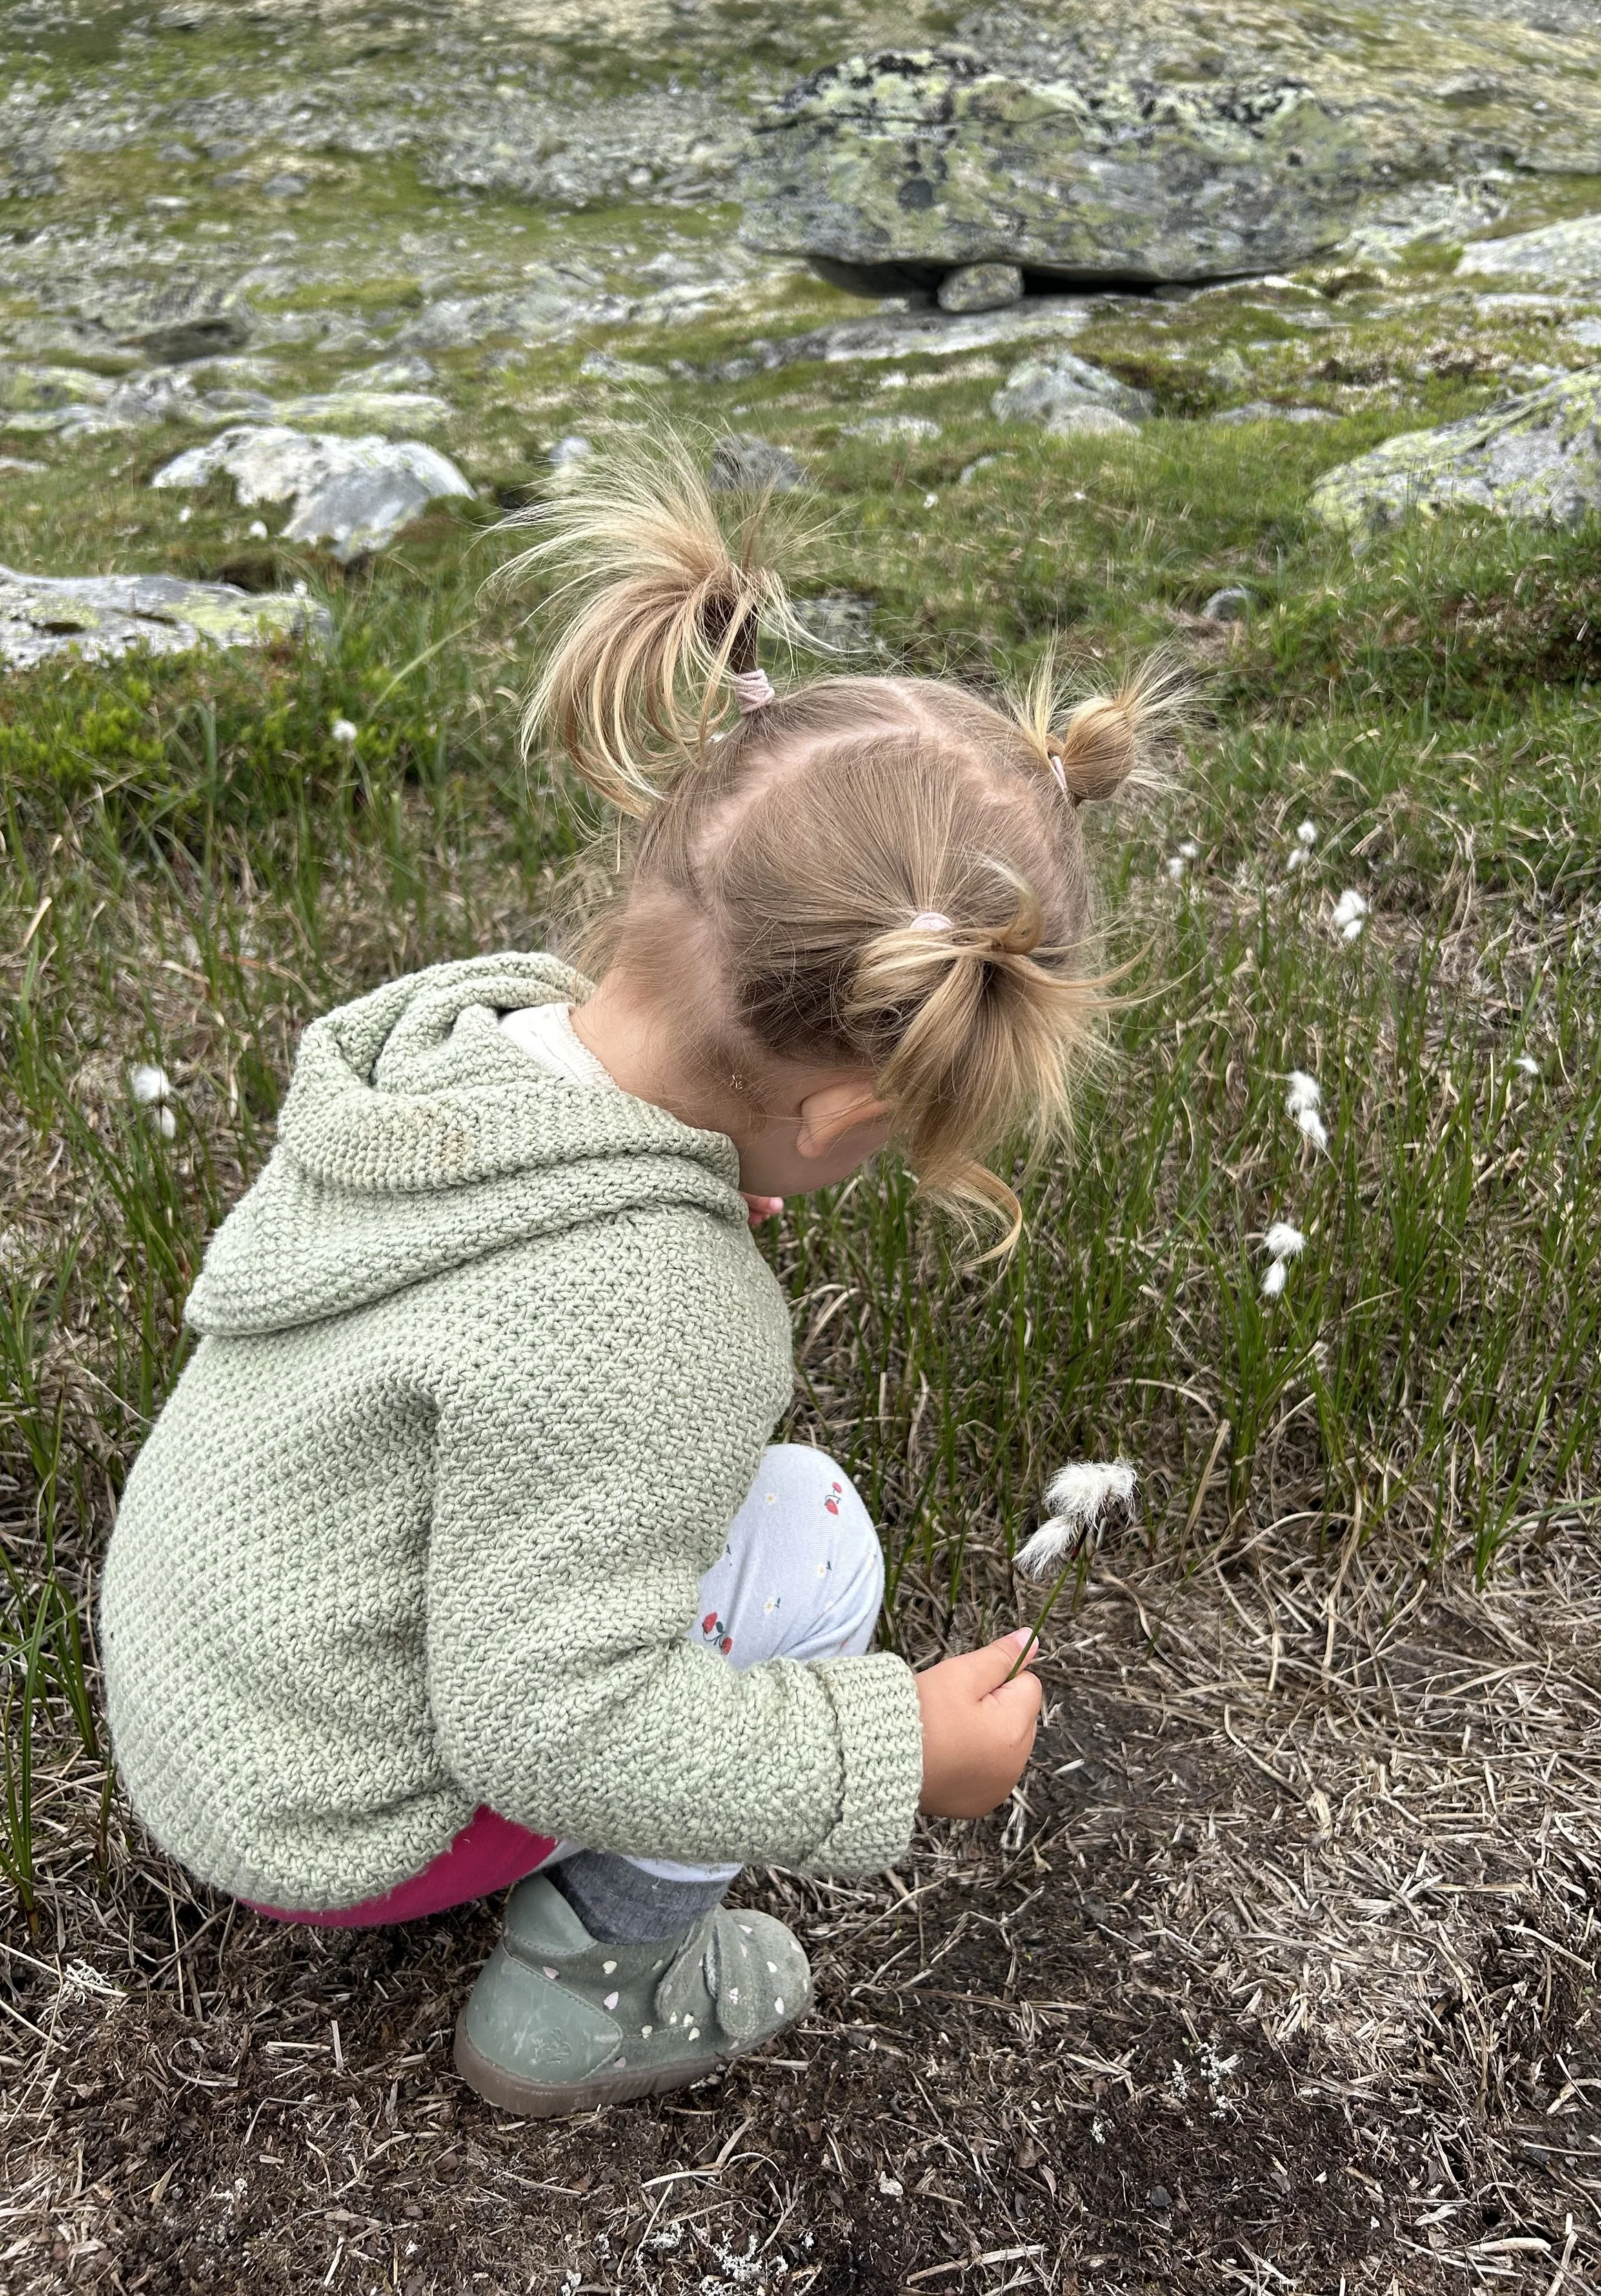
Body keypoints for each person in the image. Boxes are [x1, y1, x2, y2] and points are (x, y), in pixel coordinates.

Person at [98, 437, 1174, 2117]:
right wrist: (890, 1749)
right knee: (811, 1536)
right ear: (849, 1109)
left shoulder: (453, 1053)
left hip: (205, 1695)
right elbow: (554, 1728)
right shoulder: (652, 1315)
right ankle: (587, 1990)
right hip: (317, 1822)